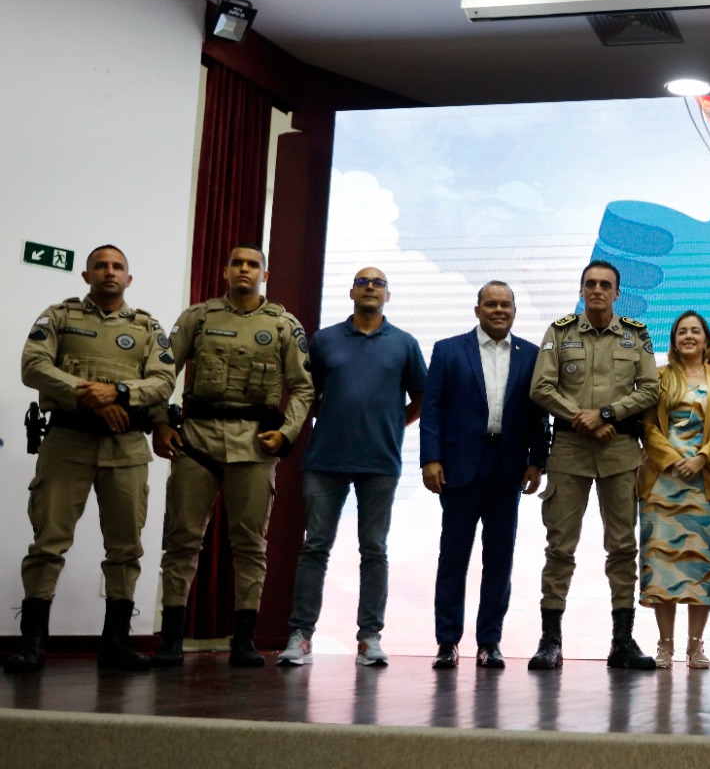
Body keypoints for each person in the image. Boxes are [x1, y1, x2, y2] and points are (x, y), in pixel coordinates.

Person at [5, 245, 175, 674]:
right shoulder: (59, 316)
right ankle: (32, 644)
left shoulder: (147, 327)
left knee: (125, 547)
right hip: (68, 442)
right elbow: (33, 366)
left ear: (129, 278)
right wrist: (91, 397)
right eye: (101, 266)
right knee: (48, 542)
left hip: (126, 446)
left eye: (117, 267)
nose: (109, 272)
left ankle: (116, 643)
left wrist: (118, 393)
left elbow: (163, 381)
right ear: (86, 275)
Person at [151, 245, 313, 668]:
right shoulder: (197, 318)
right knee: (182, 540)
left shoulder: (283, 325)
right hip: (197, 441)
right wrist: (161, 422)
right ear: (225, 271)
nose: (244, 269)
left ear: (265, 274)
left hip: (254, 446)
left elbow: (303, 387)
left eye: (252, 264)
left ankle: (243, 640)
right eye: (237, 263)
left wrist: (287, 433)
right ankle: (171, 638)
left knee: (250, 545)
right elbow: (161, 374)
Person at [279, 268, 426, 668]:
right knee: (315, 547)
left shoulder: (404, 344)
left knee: (374, 549)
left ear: (388, 295)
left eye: (378, 283)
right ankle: (301, 635)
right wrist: (329, 417)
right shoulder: (325, 340)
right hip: (325, 460)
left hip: (380, 462)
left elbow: (422, 397)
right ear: (351, 293)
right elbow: (306, 391)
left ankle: (369, 638)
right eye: (363, 282)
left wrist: (393, 423)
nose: (370, 287)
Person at [529, 260, 661, 672]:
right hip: (570, 449)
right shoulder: (560, 332)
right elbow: (540, 388)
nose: (598, 290)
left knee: (622, 547)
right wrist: (581, 417)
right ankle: (550, 641)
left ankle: (622, 641)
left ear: (617, 293)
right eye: (591, 284)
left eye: (605, 285)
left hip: (618, 449)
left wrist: (606, 414)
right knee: (559, 547)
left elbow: (651, 388)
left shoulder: (636, 335)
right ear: (581, 289)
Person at [419, 281, 547, 670]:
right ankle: (447, 642)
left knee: (499, 560)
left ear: (514, 311)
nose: (498, 310)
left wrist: (538, 460)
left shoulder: (531, 355)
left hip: (508, 467)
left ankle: (489, 642)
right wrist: (430, 458)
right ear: (477, 310)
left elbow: (538, 414)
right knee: (453, 557)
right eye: (490, 304)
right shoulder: (448, 350)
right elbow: (432, 409)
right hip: (459, 467)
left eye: (505, 305)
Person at [639, 310, 710, 669]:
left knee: (702, 568)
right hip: (663, 483)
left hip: (708, 482)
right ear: (674, 340)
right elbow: (647, 424)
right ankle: (664, 645)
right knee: (662, 567)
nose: (689, 336)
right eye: (682, 331)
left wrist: (702, 458)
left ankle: (696, 646)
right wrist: (673, 458)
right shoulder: (657, 377)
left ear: (707, 340)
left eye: (696, 331)